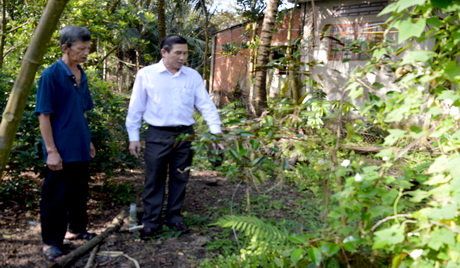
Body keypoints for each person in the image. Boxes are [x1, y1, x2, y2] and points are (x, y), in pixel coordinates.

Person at [126, 34, 223, 240]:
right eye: (178, 53)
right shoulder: (147, 74)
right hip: (157, 134)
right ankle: (151, 221)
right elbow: (136, 107)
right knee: (154, 179)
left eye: (186, 53)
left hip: (185, 134)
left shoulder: (192, 76)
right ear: (164, 52)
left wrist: (216, 133)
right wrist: (133, 136)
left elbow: (206, 105)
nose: (183, 57)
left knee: (180, 176)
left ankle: (174, 217)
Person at [35, 25, 96, 261]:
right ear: (65, 48)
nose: (85, 53)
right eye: (81, 49)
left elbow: (82, 112)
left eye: (88, 49)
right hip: (59, 148)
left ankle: (76, 229)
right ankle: (51, 242)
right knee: (55, 195)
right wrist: (51, 151)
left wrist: (88, 140)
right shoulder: (51, 75)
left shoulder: (82, 74)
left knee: (78, 192)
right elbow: (44, 115)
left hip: (80, 146)